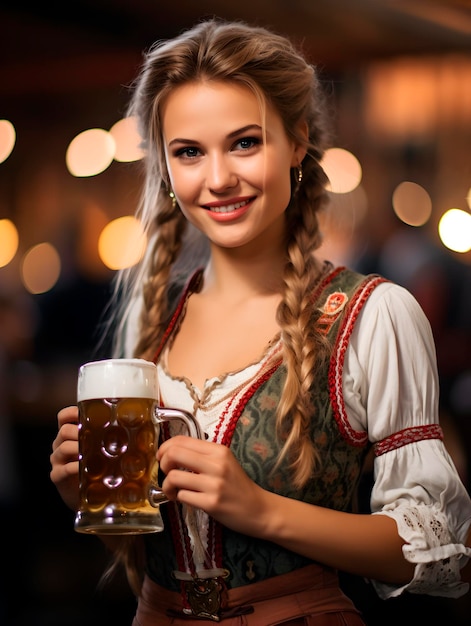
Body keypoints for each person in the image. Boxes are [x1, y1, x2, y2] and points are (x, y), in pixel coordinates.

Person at [50, 17, 471, 625]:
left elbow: (432, 555)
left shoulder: (373, 314)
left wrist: (261, 508)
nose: (218, 178)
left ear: (297, 141)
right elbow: (144, 549)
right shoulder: (153, 316)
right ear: (166, 170)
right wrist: (91, 501)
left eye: (245, 142)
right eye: (189, 152)